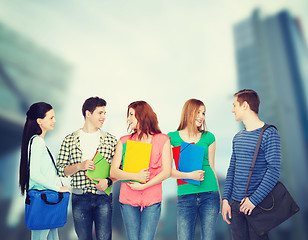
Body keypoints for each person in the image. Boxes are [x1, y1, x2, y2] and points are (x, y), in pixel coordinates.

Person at [222, 89, 281, 240]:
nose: (232, 109)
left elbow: (273, 170)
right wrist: (226, 200)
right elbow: (232, 170)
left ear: (245, 106)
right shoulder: (238, 137)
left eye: (235, 105)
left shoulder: (269, 133)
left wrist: (253, 200)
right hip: (235, 207)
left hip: (256, 206)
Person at [56, 97, 117, 240]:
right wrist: (80, 166)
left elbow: (119, 169)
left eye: (104, 113)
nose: (104, 117)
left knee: (105, 238)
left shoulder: (111, 140)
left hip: (104, 197)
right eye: (100, 113)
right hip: (80, 198)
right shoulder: (69, 140)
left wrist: (108, 181)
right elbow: (61, 170)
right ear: (88, 114)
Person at [110, 100, 172, 240]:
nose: (128, 119)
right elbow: (113, 172)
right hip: (128, 198)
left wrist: (144, 185)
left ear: (142, 115)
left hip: (152, 198)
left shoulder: (163, 140)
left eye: (131, 114)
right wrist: (136, 175)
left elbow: (167, 172)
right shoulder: (124, 141)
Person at [168, 99, 221, 240]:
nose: (202, 116)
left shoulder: (209, 137)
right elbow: (167, 171)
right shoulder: (171, 138)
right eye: (198, 112)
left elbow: (212, 167)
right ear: (188, 112)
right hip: (186, 195)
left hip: (210, 193)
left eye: (203, 113)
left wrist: (220, 197)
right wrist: (190, 175)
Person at [19, 102, 71, 240]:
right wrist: (58, 189)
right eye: (51, 117)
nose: (54, 121)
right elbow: (35, 175)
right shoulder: (36, 142)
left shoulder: (39, 142)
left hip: (47, 200)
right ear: (40, 121)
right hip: (44, 200)